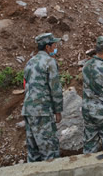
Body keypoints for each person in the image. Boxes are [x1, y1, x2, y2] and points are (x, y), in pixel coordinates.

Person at [21, 33, 63, 162]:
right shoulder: (50, 62)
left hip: (28, 110)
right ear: (47, 47)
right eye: (54, 45)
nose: (56, 48)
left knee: (33, 152)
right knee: (50, 151)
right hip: (42, 111)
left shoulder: (30, 62)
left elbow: (25, 85)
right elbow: (55, 89)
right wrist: (58, 110)